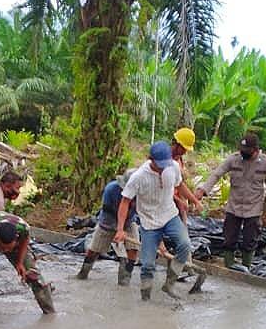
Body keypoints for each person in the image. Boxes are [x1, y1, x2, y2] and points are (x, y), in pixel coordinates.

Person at [114, 141, 201, 301]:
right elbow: (125, 202)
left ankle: (169, 283)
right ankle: (145, 299)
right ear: (151, 159)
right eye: (159, 165)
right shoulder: (139, 177)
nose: (162, 169)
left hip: (169, 215)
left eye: (165, 165)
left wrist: (194, 200)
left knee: (184, 245)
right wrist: (120, 229)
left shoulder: (173, 166)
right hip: (149, 222)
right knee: (147, 265)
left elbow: (180, 185)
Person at [196, 133, 266, 270]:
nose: (243, 153)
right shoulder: (233, 159)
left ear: (256, 150)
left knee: (250, 240)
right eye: (242, 150)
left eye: (247, 151)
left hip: (253, 208)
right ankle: (229, 266)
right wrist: (203, 189)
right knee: (229, 239)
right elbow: (217, 173)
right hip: (234, 206)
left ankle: (246, 268)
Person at [0, 211, 55, 329]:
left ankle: (50, 311)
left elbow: (25, 240)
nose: (5, 251)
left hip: (10, 234)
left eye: (9, 248)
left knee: (32, 274)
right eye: (2, 248)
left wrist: (20, 262)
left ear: (16, 238)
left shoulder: (23, 228)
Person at [76, 168, 140, 285]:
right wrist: (118, 230)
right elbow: (107, 212)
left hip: (129, 221)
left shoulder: (141, 193)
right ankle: (83, 273)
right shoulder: (111, 189)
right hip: (108, 221)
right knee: (94, 250)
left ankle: (124, 281)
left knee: (133, 250)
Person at [171, 126, 196, 223]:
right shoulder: (162, 160)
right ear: (176, 144)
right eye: (183, 148)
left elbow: (180, 184)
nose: (185, 152)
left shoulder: (179, 159)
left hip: (175, 199)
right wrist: (178, 201)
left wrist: (189, 201)